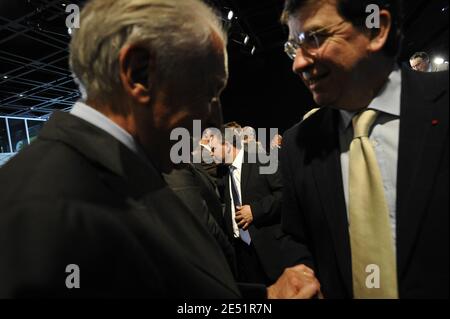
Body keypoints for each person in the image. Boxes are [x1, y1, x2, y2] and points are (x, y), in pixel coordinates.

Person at [0, 0, 320, 298]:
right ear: (139, 74)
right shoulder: (37, 206)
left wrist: (265, 296)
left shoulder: (127, 169)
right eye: (208, 92)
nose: (215, 118)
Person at [280, 0, 448, 298]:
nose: (298, 64)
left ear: (376, 30)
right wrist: (299, 270)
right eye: (294, 47)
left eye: (314, 39)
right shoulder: (298, 145)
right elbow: (296, 237)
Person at [210, 126, 303, 286]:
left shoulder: (261, 159)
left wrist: (255, 210)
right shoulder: (226, 174)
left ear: (226, 144)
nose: (210, 153)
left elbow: (286, 194)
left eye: (213, 148)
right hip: (244, 256)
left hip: (271, 250)